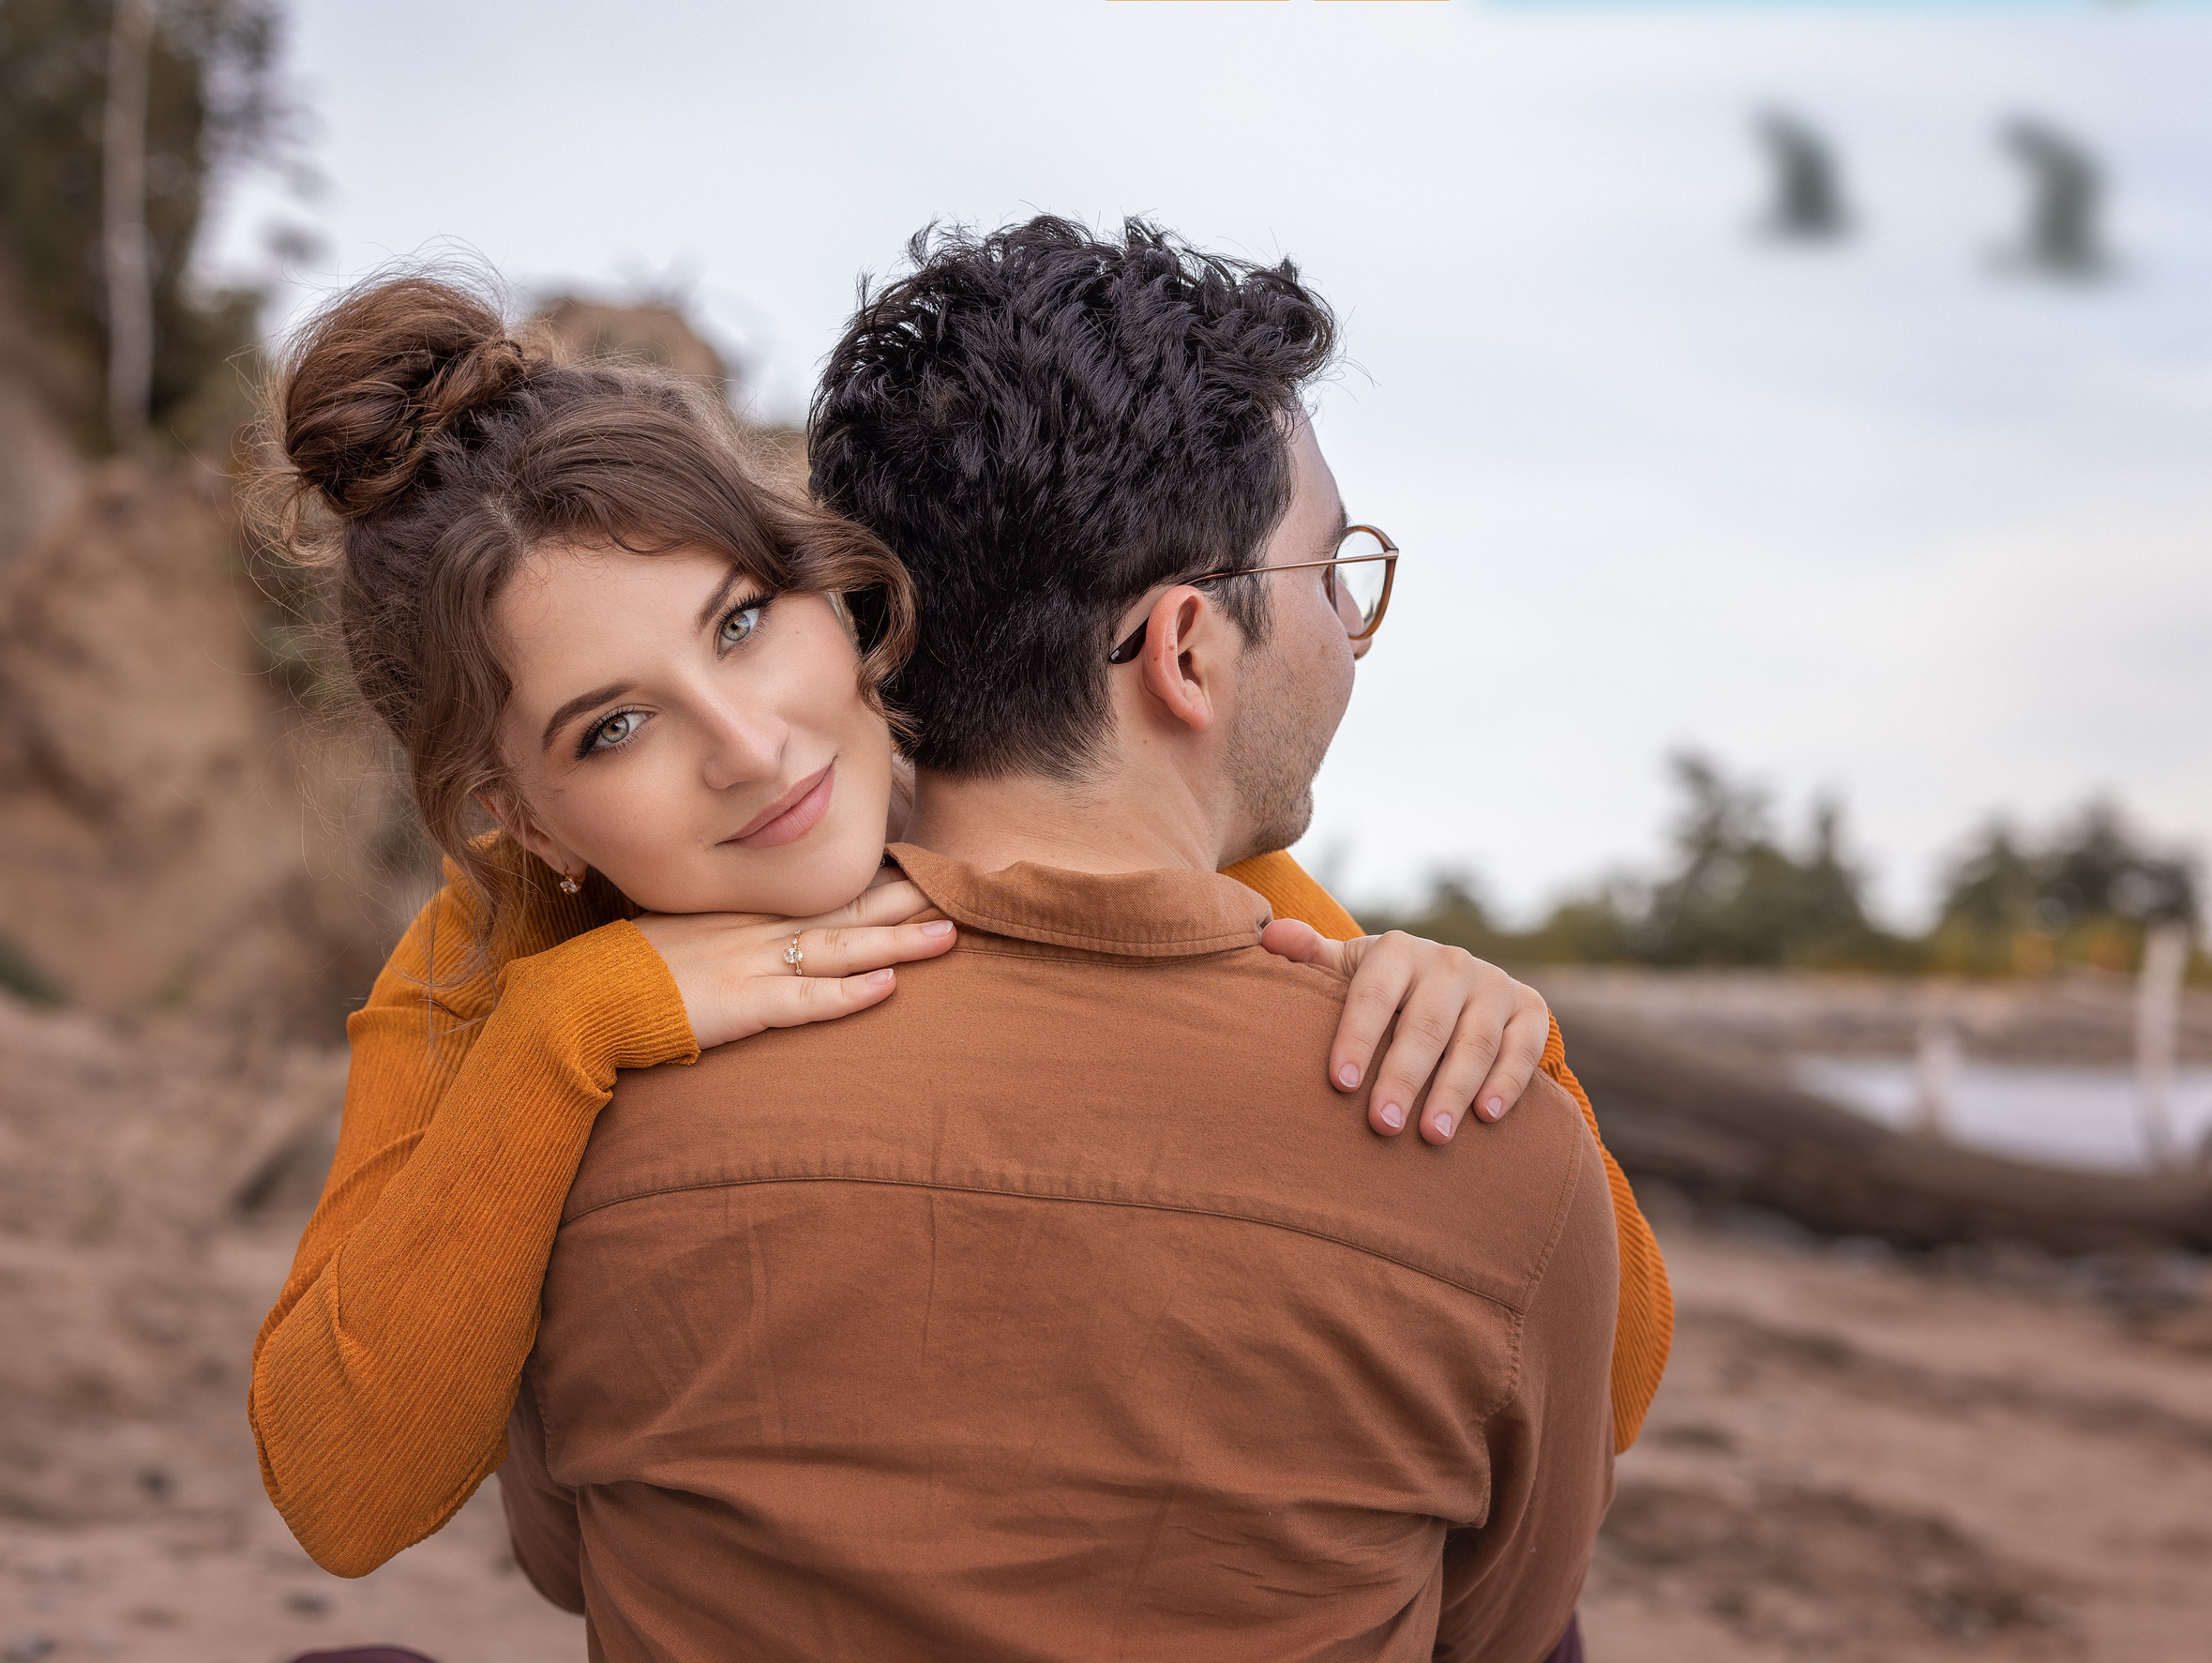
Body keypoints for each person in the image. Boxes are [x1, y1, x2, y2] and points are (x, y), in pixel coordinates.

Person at [247, 270, 1668, 1583]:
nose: (748, 747)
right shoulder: (502, 940)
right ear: (526, 820)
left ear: (829, 583)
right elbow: (342, 1492)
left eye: (741, 624)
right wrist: (565, 1027)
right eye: (613, 727)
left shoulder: (1029, 777)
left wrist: (1489, 1029)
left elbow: (1608, 1362)